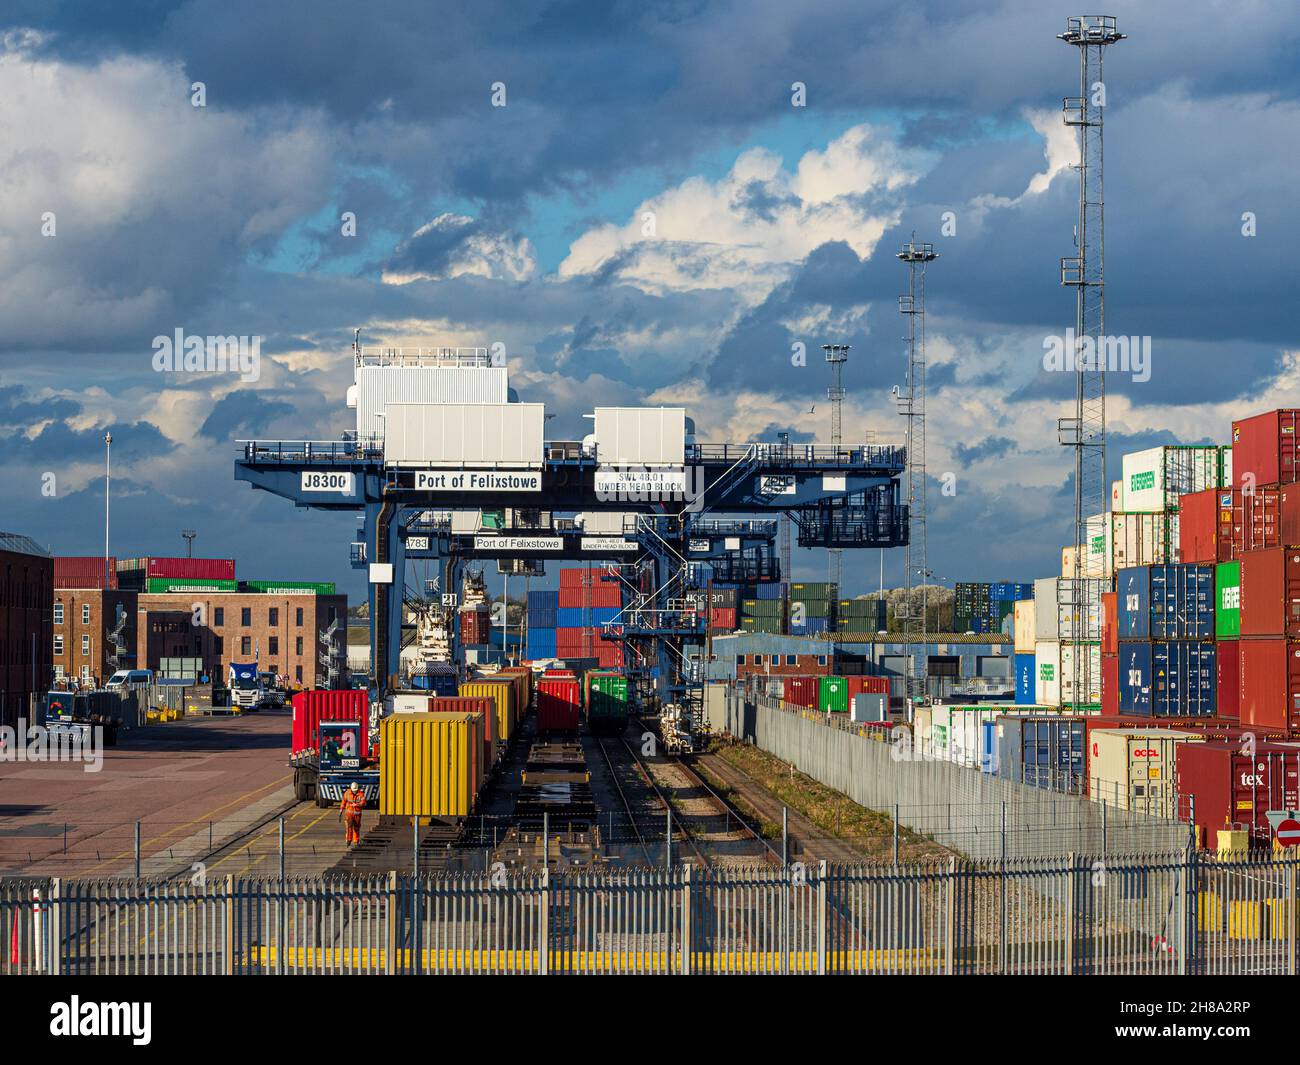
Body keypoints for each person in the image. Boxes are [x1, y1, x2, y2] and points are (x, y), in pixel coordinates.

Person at [340, 781, 366, 846]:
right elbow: (343, 801)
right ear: (351, 789)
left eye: (356, 790)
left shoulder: (361, 794)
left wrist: (357, 804)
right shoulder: (347, 793)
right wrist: (341, 809)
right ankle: (348, 840)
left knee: (356, 828)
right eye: (353, 790)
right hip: (349, 815)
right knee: (349, 828)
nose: (354, 791)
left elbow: (363, 802)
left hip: (357, 815)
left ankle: (356, 841)